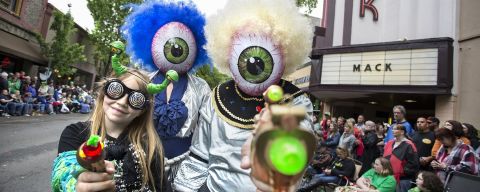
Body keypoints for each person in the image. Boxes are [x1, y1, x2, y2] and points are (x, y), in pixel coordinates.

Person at [173, 0, 314, 191]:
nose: (253, 62)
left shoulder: (294, 101)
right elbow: (199, 157)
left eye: (264, 50)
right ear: (228, 49)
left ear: (285, 52)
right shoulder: (217, 97)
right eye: (245, 45)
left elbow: (297, 155)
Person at [121, 1, 211, 187]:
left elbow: (206, 132)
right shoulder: (143, 81)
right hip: (141, 162)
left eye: (181, 44)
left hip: (186, 168)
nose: (175, 49)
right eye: (169, 43)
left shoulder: (201, 88)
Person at [51, 69, 168, 191]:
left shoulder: (150, 147)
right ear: (104, 93)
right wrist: (76, 186)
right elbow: (63, 175)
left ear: (142, 110)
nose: (122, 102)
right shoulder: (75, 133)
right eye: (116, 90)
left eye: (136, 99)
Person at [383, 124, 419, 192]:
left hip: (403, 179)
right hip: (387, 176)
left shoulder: (409, 145)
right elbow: (384, 157)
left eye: (396, 129)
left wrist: (402, 172)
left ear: (402, 132)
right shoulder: (389, 143)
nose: (393, 130)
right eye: (392, 129)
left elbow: (414, 163)